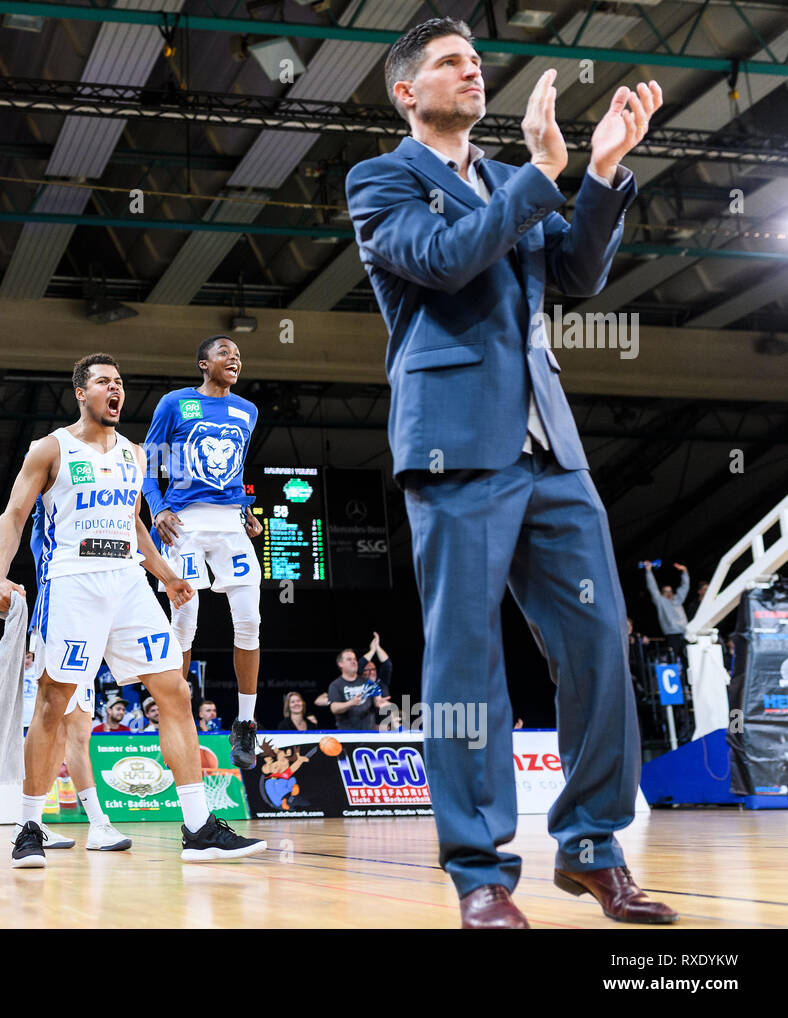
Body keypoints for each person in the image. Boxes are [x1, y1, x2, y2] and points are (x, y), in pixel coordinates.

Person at [347, 17, 675, 927]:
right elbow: (445, 263)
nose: (472, 72)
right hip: (454, 446)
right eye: (452, 63)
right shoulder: (380, 180)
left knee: (603, 644)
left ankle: (593, 846)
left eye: (477, 62)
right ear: (408, 91)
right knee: (464, 669)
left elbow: (576, 272)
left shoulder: (504, 181)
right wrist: (541, 174)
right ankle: (480, 873)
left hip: (550, 446)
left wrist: (602, 169)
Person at [0, 353, 265, 866]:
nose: (114, 390)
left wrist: (167, 575)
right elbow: (13, 515)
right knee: (54, 701)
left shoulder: (134, 455)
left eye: (119, 383)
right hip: (72, 581)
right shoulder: (51, 448)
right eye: (102, 383)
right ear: (81, 392)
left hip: (128, 582)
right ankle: (29, 824)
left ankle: (199, 825)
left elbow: (134, 521)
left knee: (175, 691)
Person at [142, 336, 262, 770]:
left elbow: (235, 472)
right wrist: (157, 510)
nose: (234, 358)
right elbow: (147, 463)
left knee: (249, 620)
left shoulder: (248, 411)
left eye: (238, 354)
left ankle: (246, 724)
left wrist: (247, 510)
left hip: (230, 523)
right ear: (202, 363)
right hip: (185, 522)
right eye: (224, 352)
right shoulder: (174, 403)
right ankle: (176, 718)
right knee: (185, 622)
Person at [644, 561, 691, 672]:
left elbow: (685, 587)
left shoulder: (677, 599)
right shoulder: (661, 601)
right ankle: (676, 685)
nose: (669, 593)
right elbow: (652, 588)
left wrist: (685, 572)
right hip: (671, 634)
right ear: (662, 593)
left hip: (685, 633)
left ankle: (689, 685)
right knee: (672, 660)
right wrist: (648, 571)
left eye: (670, 591)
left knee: (688, 660)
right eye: (666, 591)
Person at [328, 649, 383, 732]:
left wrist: (381, 703)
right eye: (349, 659)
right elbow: (334, 708)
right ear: (340, 664)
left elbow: (377, 701)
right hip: (348, 735)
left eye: (355, 659)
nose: (353, 661)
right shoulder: (335, 685)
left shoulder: (368, 682)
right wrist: (351, 703)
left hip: (369, 733)